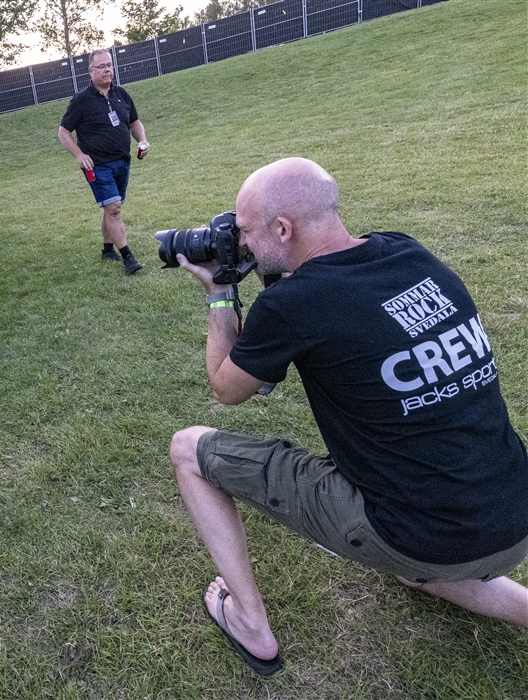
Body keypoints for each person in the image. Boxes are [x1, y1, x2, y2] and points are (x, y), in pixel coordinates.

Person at [168, 157, 528, 676]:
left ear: (283, 228)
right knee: (422, 551)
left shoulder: (294, 304)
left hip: (417, 536)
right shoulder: (408, 252)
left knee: (188, 449)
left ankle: (250, 623)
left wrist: (221, 295)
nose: (240, 244)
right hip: (513, 511)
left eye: (244, 231)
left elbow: (227, 387)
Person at [58, 48, 149, 275]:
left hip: (122, 161)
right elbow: (63, 132)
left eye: (109, 65)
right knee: (114, 208)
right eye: (101, 66)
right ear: (90, 71)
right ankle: (128, 258)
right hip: (97, 165)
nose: (107, 70)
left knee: (111, 208)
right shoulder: (80, 101)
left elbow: (134, 123)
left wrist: (142, 141)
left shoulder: (122, 94)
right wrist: (79, 155)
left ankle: (108, 249)